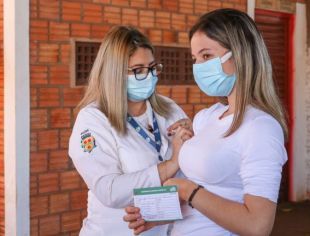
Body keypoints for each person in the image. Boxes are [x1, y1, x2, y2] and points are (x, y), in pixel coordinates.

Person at [124, 8, 288, 236]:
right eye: (195, 58)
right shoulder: (206, 118)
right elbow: (205, 199)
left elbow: (258, 226)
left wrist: (187, 190)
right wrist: (158, 214)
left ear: (239, 54)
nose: (199, 66)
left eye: (207, 56)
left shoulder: (261, 127)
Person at [68, 26, 193, 236]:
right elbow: (109, 191)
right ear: (114, 73)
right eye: (138, 70)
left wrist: (195, 140)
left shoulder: (169, 109)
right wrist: (171, 164)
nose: (149, 76)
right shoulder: (93, 119)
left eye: (153, 68)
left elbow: (192, 173)